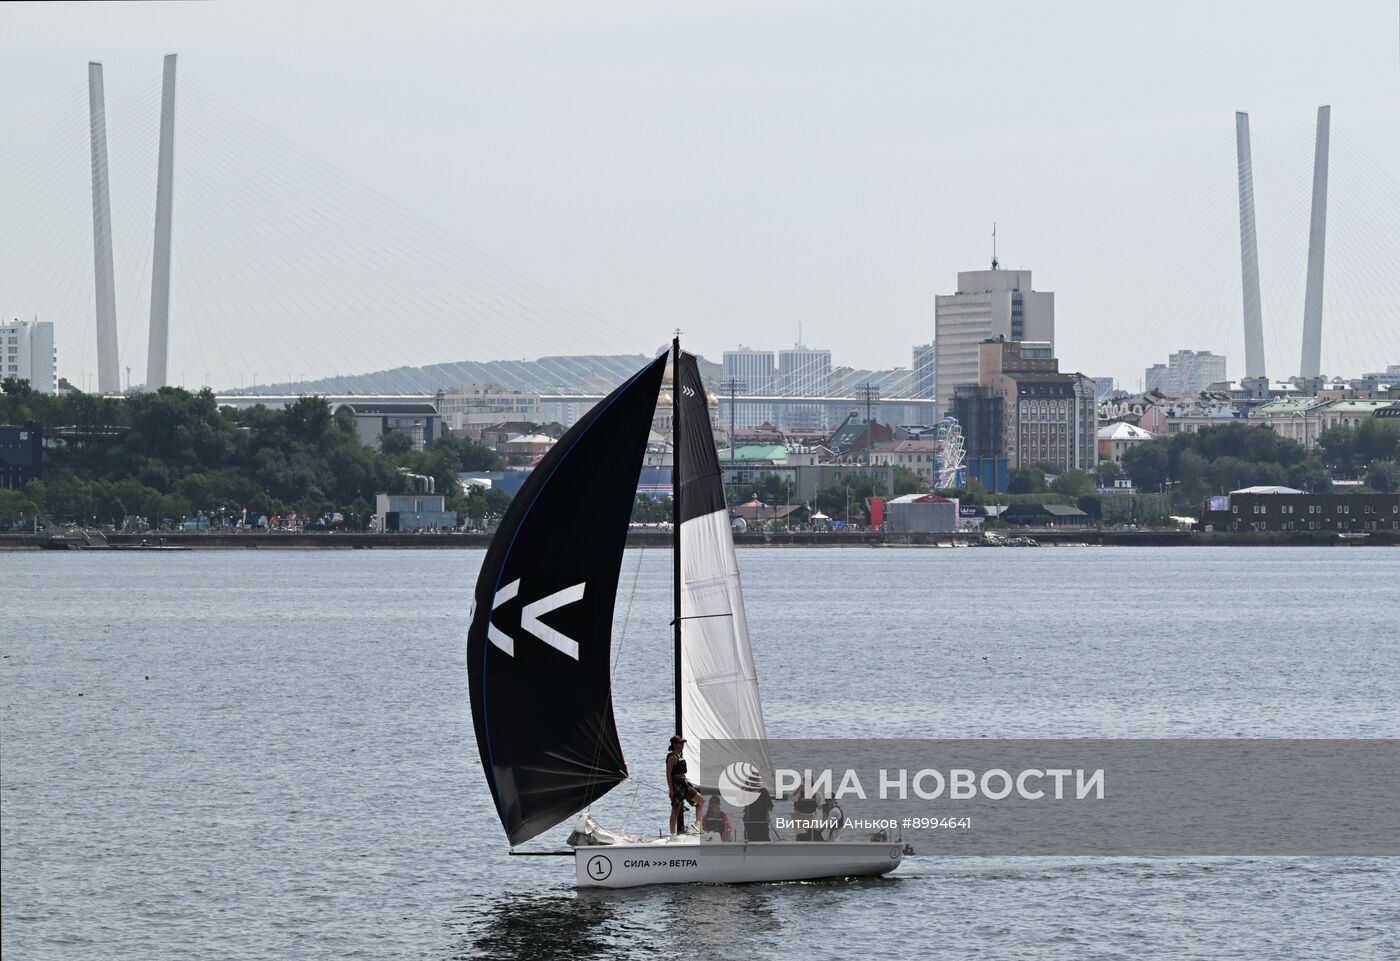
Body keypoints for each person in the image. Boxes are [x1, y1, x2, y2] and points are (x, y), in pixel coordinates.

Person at [666, 735, 702, 834]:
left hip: (685, 785)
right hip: (677, 785)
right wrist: (671, 789)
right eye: (681, 743)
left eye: (683, 743)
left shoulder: (679, 756)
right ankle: (672, 834)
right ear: (675, 745)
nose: (682, 745)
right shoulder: (672, 757)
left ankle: (697, 824)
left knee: (701, 801)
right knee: (675, 811)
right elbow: (668, 773)